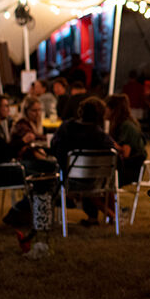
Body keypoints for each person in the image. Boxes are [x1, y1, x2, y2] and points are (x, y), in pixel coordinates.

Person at [50, 96, 117, 225]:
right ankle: (108, 215)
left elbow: (55, 150)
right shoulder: (101, 137)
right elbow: (114, 156)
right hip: (98, 183)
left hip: (69, 182)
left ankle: (101, 216)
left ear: (80, 111)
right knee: (93, 177)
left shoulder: (66, 129)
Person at [105, 93, 147, 187]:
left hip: (129, 170)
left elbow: (126, 153)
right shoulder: (122, 124)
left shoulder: (127, 126)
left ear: (113, 110)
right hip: (124, 168)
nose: (104, 111)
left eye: (106, 108)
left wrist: (108, 142)